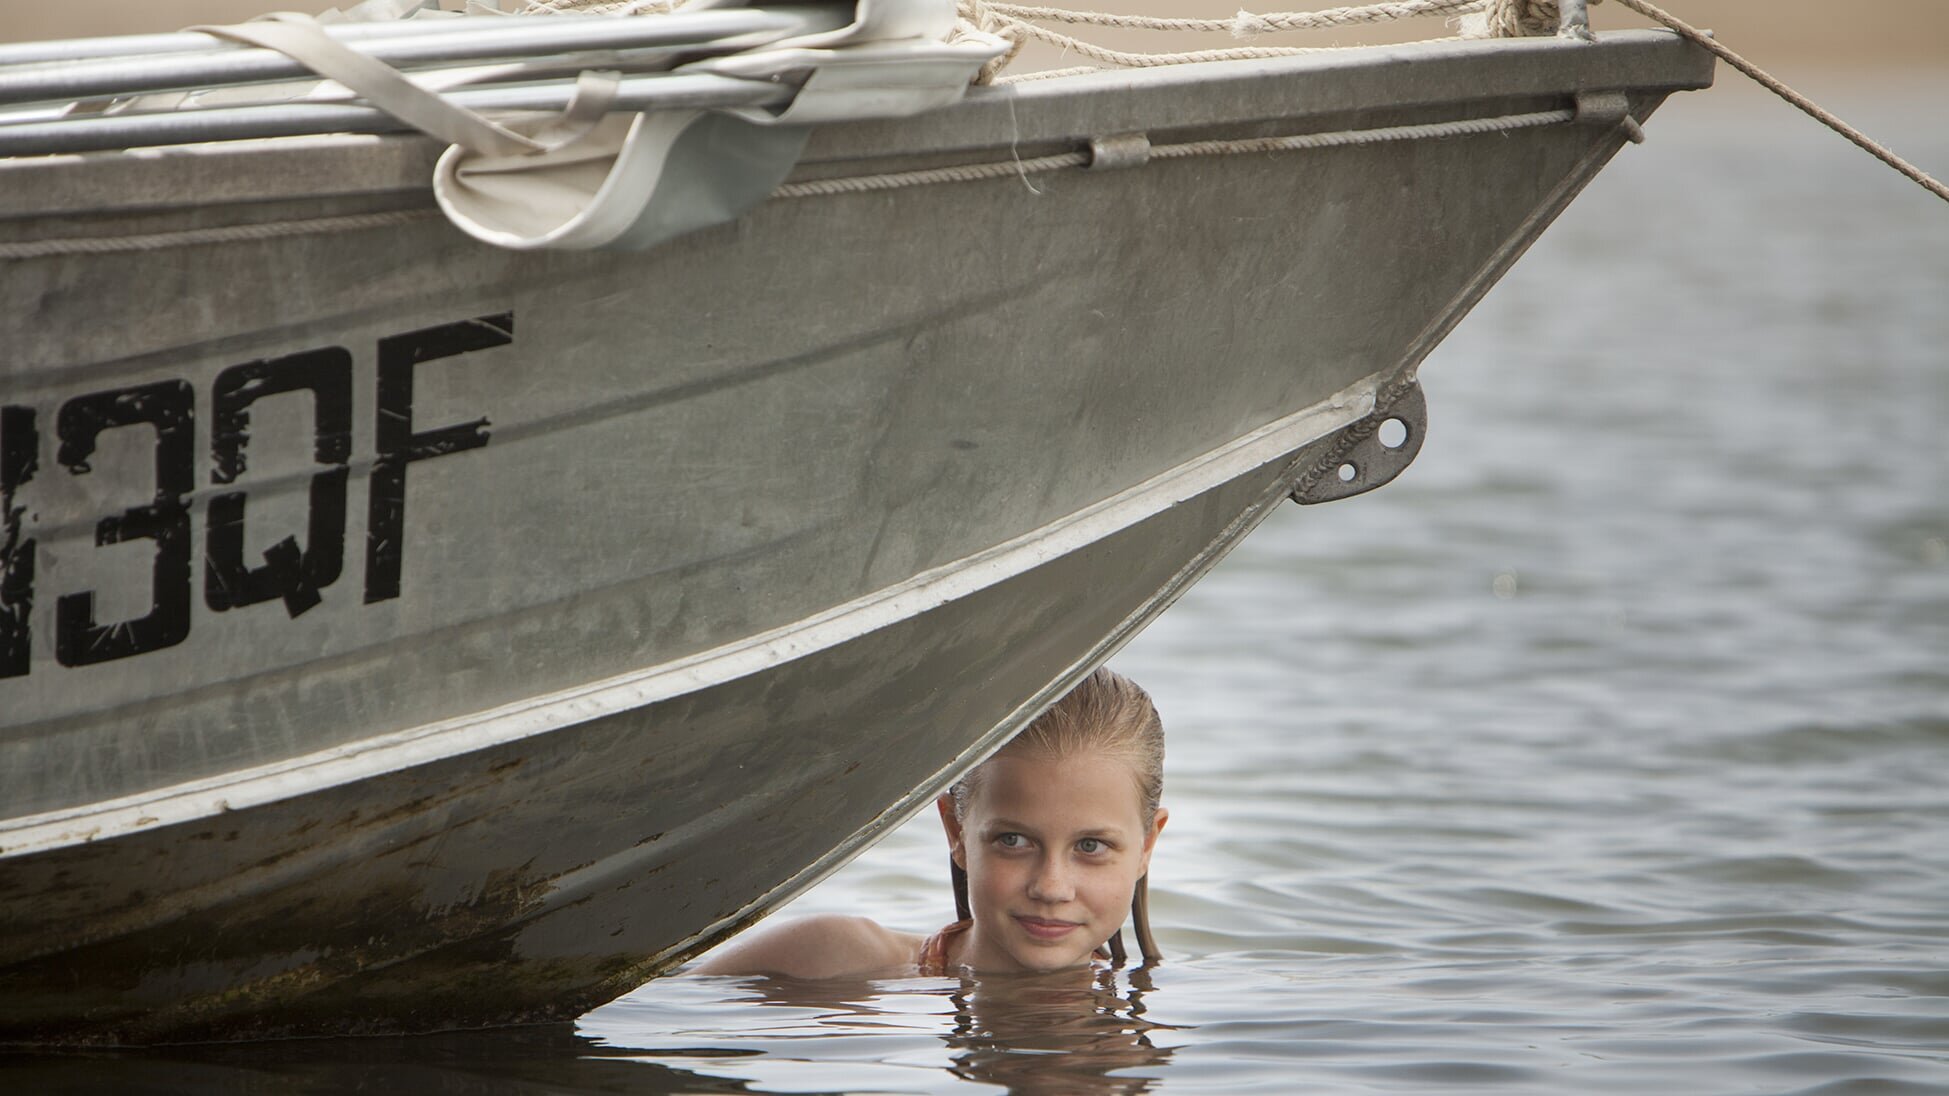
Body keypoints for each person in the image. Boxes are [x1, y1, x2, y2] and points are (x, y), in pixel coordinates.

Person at [692, 666, 1169, 979]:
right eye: (1013, 839)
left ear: (1146, 846)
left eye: (1090, 847)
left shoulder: (1179, 1009)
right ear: (956, 830)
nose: (1051, 887)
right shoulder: (837, 963)